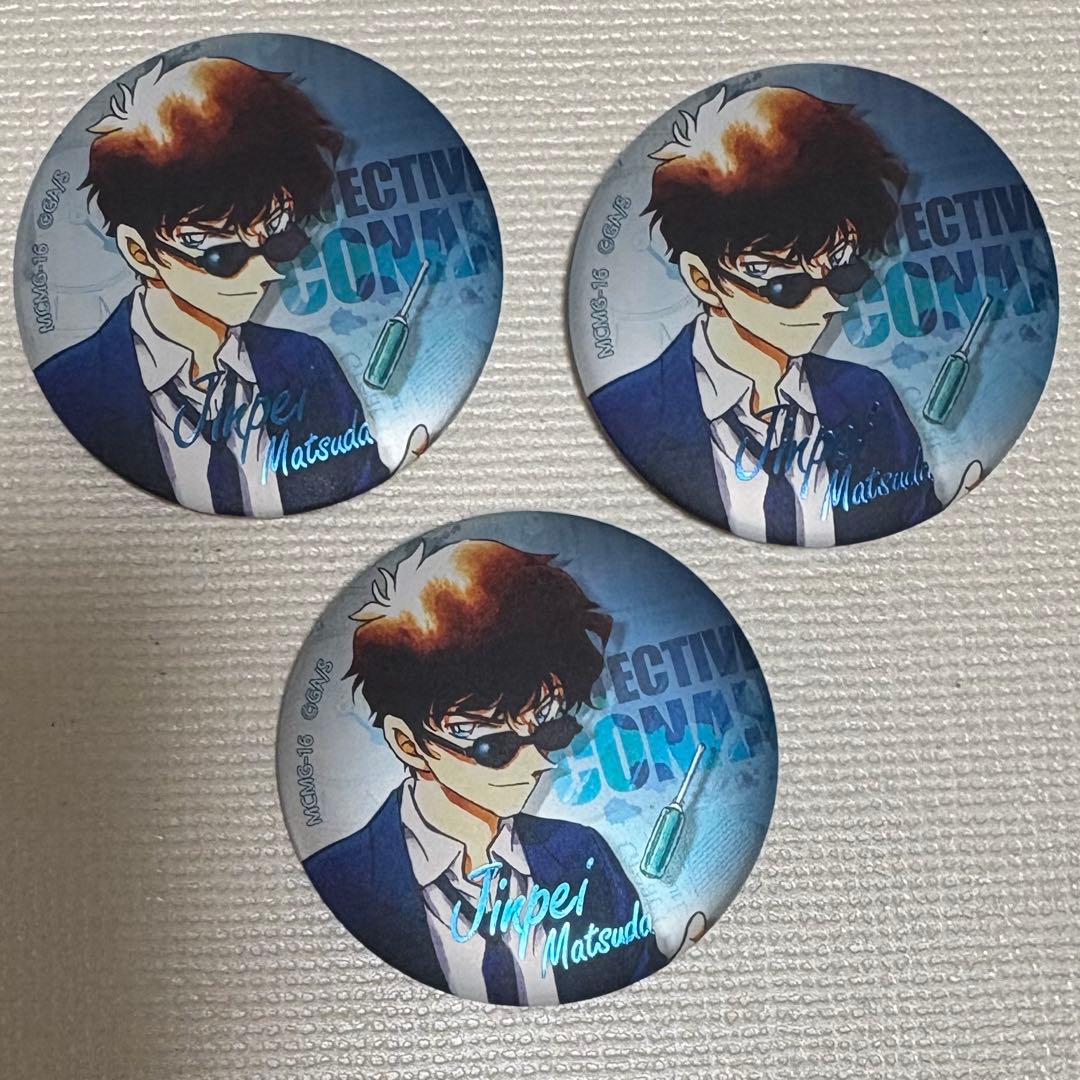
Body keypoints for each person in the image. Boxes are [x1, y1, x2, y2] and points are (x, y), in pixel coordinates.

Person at [303, 539, 671, 1005]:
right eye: (494, 745)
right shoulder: (339, 882)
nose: (539, 763)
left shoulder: (584, 856)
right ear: (408, 744)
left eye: (551, 731)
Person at [34, 56, 389, 515]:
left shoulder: (309, 364)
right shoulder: (68, 392)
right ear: (140, 253)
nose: (267, 273)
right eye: (225, 255)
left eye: (280, 240)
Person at [590, 85, 943, 545]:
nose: (830, 305)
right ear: (703, 280)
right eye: (786, 285)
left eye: (843, 273)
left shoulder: (871, 399)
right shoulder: (622, 418)